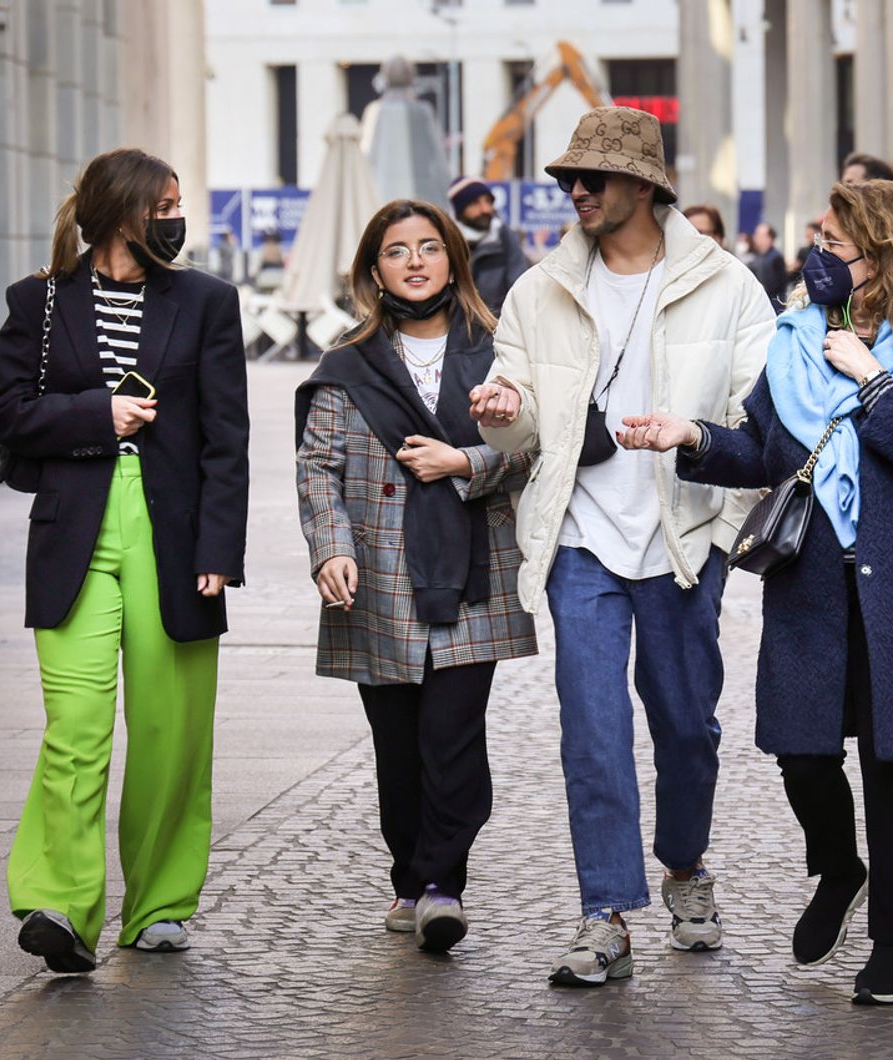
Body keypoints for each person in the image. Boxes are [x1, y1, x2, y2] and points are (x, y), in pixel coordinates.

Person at [618, 178, 893, 1005]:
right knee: (802, 753)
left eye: (833, 244)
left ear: (882, 252)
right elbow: (762, 450)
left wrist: (873, 379)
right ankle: (839, 865)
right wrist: (691, 437)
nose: (815, 256)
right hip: (812, 581)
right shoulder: (793, 337)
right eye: (816, 239)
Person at [467, 105, 773, 986]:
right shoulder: (540, 289)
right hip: (580, 539)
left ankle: (685, 866)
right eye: (569, 179)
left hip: (682, 536)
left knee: (687, 726)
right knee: (591, 731)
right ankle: (603, 911)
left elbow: (764, 417)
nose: (575, 192)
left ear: (644, 185)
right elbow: (516, 417)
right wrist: (502, 412)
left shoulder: (728, 286)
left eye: (590, 179)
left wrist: (723, 521)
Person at [0, 147, 249, 972]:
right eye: (162, 204)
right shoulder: (37, 300)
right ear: (120, 213)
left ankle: (161, 906)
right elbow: (4, 411)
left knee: (172, 732)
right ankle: (59, 903)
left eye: (179, 204)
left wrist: (219, 549)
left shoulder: (208, 300)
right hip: (74, 530)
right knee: (77, 726)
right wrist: (98, 415)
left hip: (173, 536)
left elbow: (226, 436)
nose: (176, 217)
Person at [295, 198, 535, 954]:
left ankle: (441, 886)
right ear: (375, 269)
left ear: (453, 260)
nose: (417, 261)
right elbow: (318, 468)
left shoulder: (500, 350)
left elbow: (536, 448)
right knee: (397, 747)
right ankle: (410, 876)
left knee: (453, 738)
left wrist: (464, 461)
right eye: (398, 251)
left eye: (431, 247)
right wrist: (330, 548)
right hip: (378, 577)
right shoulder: (347, 361)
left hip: (474, 573)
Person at [447, 176, 527, 316]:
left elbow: (519, 289)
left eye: (488, 202)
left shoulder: (505, 238)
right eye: (475, 203)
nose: (485, 209)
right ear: (460, 210)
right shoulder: (447, 241)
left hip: (497, 326)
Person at [748, 221, 789, 309]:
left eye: (759, 235)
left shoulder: (776, 258)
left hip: (774, 306)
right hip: (761, 304)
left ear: (769, 238)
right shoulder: (757, 257)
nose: (755, 237)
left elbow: (778, 286)